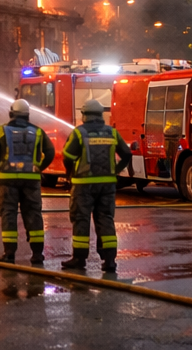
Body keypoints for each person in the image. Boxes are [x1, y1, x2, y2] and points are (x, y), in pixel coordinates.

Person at [60, 98, 132, 273]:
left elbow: (67, 156)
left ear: (84, 115)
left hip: (83, 185)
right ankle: (109, 261)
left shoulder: (79, 133)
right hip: (107, 185)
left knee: (81, 219)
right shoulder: (112, 133)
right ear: (101, 115)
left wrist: (69, 174)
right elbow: (127, 154)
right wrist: (115, 170)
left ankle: (79, 258)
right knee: (106, 219)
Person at [0, 99, 55, 264]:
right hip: (31, 180)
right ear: (28, 115)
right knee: (33, 214)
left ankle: (9, 254)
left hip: (7, 180)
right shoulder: (38, 132)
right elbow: (50, 152)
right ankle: (37, 255)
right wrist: (39, 167)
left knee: (8, 214)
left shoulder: (2, 131)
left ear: (11, 114)